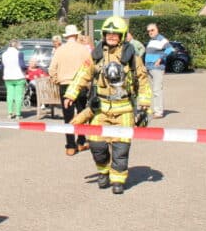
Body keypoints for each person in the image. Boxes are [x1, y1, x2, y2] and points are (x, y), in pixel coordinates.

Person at [63, 16, 151, 194]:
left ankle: (118, 180)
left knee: (121, 148)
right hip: (100, 108)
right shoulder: (95, 56)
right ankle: (103, 171)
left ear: (122, 35)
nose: (111, 36)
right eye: (108, 33)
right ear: (103, 34)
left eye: (115, 33)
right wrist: (71, 93)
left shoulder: (132, 57)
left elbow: (143, 81)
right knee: (97, 146)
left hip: (124, 108)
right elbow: (83, 74)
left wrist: (144, 104)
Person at [48, 24, 91, 156]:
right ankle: (81, 141)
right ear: (77, 35)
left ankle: (70, 146)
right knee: (82, 114)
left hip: (65, 84)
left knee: (68, 116)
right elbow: (90, 66)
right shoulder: (83, 49)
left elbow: (51, 69)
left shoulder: (59, 50)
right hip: (80, 84)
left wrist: (56, 80)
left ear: (66, 36)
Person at [143, 23, 174, 119]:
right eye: (148, 31)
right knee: (153, 90)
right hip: (150, 68)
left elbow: (170, 49)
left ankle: (159, 112)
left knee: (157, 90)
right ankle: (156, 109)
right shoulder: (152, 40)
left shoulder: (161, 39)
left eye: (152, 30)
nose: (150, 32)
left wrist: (160, 59)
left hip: (156, 69)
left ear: (157, 30)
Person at [2, 39, 27, 119]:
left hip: (8, 77)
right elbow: (22, 65)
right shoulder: (19, 53)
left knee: (9, 95)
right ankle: (18, 114)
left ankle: (9, 113)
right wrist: (26, 70)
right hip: (19, 77)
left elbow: (2, 66)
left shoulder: (4, 54)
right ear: (17, 45)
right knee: (18, 96)